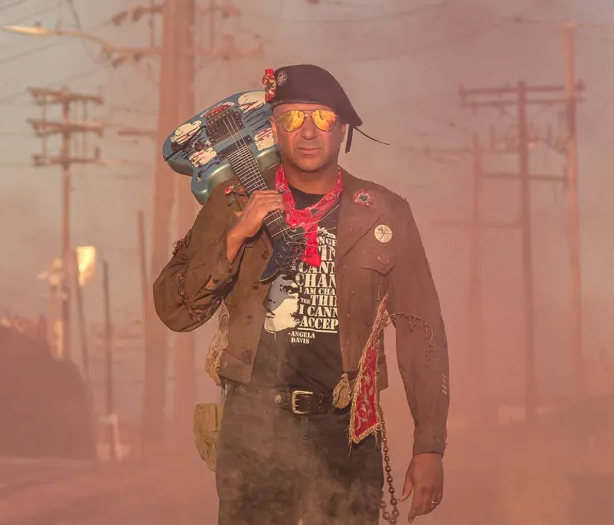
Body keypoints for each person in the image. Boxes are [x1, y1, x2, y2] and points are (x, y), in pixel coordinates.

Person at [154, 64, 449, 525]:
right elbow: (173, 309)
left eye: (322, 118)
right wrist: (234, 238)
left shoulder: (384, 213)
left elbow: (421, 333)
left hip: (347, 431)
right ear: (273, 128)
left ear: (344, 129)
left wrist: (429, 446)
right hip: (254, 428)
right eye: (293, 118)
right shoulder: (232, 201)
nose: (307, 132)